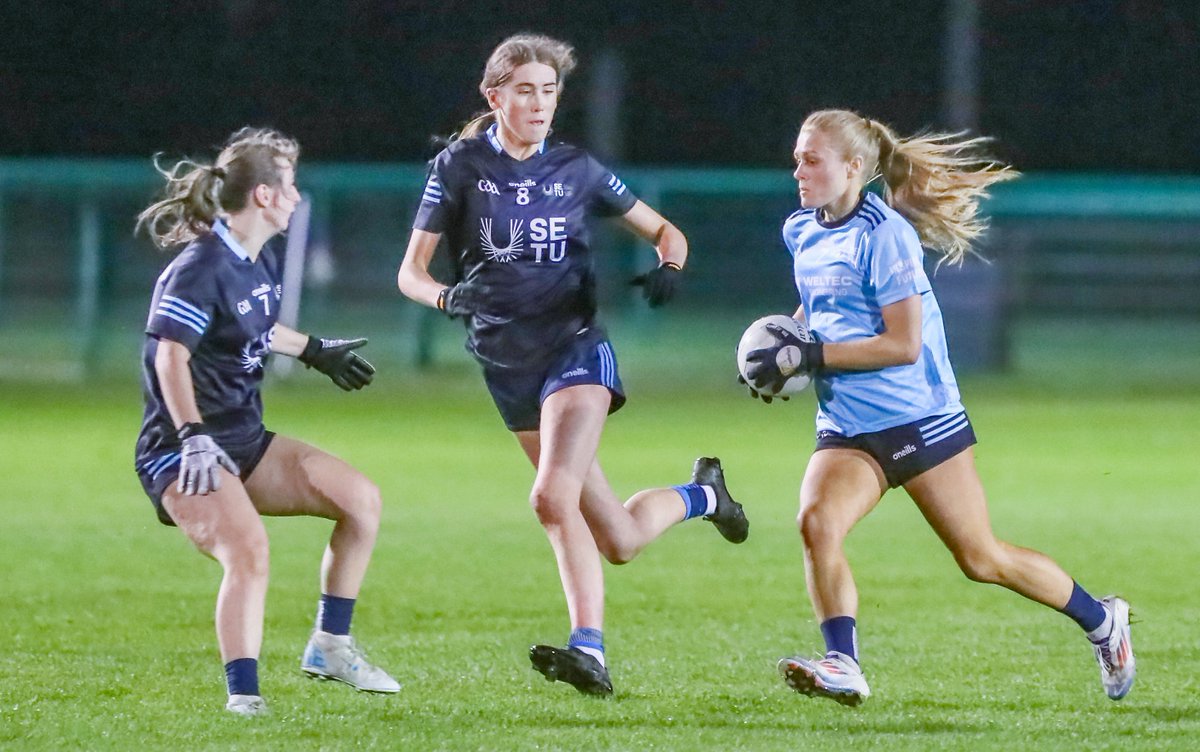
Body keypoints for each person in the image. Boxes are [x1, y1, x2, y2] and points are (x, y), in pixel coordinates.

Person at [743, 109, 1134, 706]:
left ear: (854, 168)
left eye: (811, 159)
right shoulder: (802, 229)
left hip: (919, 418)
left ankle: (1101, 619)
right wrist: (778, 350)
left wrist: (812, 355)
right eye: (798, 156)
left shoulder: (885, 235)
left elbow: (901, 345)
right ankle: (843, 663)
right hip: (848, 423)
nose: (798, 168)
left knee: (981, 558)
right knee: (816, 524)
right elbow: (816, 306)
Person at [396, 33, 748, 697]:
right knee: (617, 536)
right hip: (506, 364)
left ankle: (591, 651)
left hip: (575, 348)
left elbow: (668, 231)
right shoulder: (459, 166)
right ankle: (706, 495)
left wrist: (671, 266)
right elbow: (409, 274)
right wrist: (445, 294)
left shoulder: (577, 168)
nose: (538, 102)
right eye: (525, 89)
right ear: (494, 95)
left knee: (552, 496)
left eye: (549, 90)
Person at [134, 127, 400, 716]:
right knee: (248, 551)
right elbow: (167, 354)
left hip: (243, 442)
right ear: (262, 195)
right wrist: (193, 436)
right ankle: (245, 700)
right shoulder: (200, 266)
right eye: (290, 186)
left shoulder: (257, 257)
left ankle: (330, 646)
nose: (296, 197)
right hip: (180, 451)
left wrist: (312, 350)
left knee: (361, 499)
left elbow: (252, 326)